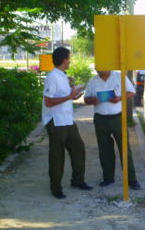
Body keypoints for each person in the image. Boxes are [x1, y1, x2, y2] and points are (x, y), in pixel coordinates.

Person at [42, 47, 92, 199]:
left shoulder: (63, 76)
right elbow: (49, 101)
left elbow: (65, 96)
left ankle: (77, 180)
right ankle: (56, 187)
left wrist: (74, 95)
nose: (70, 61)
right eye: (69, 58)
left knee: (78, 148)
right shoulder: (52, 77)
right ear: (64, 60)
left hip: (67, 119)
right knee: (57, 155)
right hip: (55, 120)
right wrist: (69, 96)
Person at [84, 71, 140, 190]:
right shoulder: (93, 80)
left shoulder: (119, 76)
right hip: (100, 119)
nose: (99, 67)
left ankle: (131, 179)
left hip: (117, 118)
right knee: (104, 150)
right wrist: (93, 100)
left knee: (124, 149)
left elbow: (132, 92)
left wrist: (120, 98)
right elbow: (86, 99)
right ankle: (108, 178)